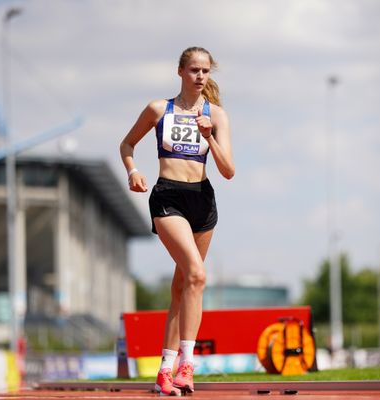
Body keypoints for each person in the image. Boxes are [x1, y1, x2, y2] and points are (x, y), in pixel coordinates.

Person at [120, 46, 234, 396]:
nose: (200, 76)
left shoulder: (216, 115)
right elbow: (126, 144)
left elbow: (228, 171)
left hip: (202, 200)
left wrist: (209, 135)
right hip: (168, 197)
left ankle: (164, 371)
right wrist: (133, 171)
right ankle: (187, 365)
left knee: (182, 286)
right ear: (181, 72)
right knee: (197, 275)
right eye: (194, 70)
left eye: (206, 71)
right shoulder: (159, 109)